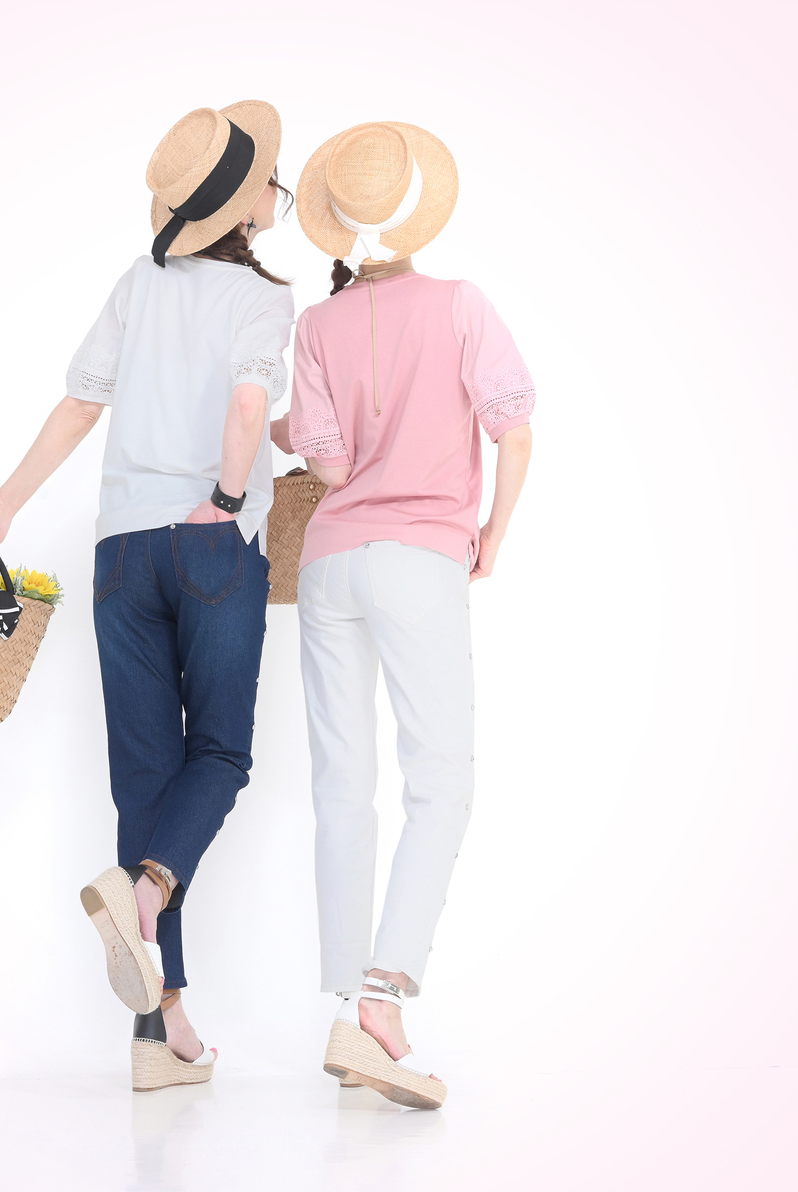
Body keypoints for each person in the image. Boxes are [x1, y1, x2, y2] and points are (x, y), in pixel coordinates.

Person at [0, 102, 294, 1092]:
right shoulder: (261, 298)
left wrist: (3, 505)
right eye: (268, 184)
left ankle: (160, 1035)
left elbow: (80, 406)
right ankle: (147, 889)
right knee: (221, 754)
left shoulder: (137, 284)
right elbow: (247, 404)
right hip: (210, 546)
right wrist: (226, 499)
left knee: (145, 779)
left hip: (121, 552)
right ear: (244, 208)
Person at [271, 121, 535, 1109]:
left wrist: (289, 423)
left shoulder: (317, 325)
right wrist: (492, 535)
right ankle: (382, 1002)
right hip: (421, 561)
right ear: (418, 214)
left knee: (343, 786)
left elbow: (329, 463)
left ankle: (352, 1009)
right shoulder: (461, 305)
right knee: (442, 782)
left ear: (339, 227)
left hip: (331, 563)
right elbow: (514, 431)